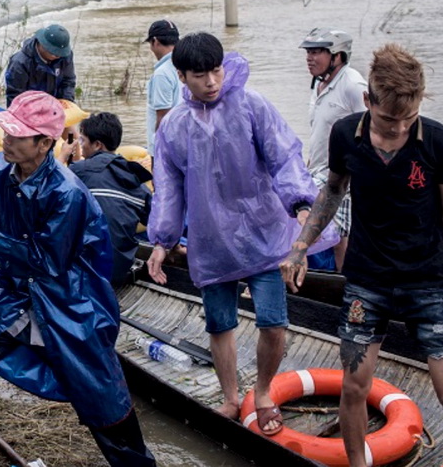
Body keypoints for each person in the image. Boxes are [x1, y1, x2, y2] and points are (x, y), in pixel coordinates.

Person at [0, 91, 157, 467]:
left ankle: (136, 463)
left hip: (69, 299)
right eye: (5, 131)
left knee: (99, 391)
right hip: (13, 286)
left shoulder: (66, 192)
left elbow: (50, 261)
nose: (5, 139)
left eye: (16, 134)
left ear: (44, 143)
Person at [280, 43, 443, 467]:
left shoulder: (441, 143)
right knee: (354, 386)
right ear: (368, 100)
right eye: (388, 119)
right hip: (367, 280)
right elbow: (333, 190)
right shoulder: (346, 135)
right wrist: (300, 247)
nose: (397, 129)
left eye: (407, 120)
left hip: (427, 280)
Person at [146, 32, 335, 434]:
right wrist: (162, 240)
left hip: (264, 233)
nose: (212, 81)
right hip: (211, 239)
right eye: (200, 75)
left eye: (216, 70)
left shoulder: (252, 106)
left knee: (273, 321)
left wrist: (302, 204)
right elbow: (168, 188)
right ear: (182, 76)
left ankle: (263, 391)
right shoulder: (175, 127)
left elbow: (284, 157)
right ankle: (231, 396)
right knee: (220, 323)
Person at [57, 112, 152, 286]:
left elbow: (42, 190)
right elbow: (157, 224)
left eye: (83, 141)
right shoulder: (137, 182)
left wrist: (63, 156)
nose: (81, 146)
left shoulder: (77, 172)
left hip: (85, 271)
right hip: (119, 271)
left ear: (98, 145)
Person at [299, 28, 367, 271]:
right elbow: (318, 130)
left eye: (317, 52)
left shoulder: (353, 85)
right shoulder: (318, 84)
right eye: (308, 52)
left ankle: (343, 282)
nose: (310, 58)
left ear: (337, 56)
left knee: (340, 232)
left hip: (343, 172)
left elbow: (370, 129)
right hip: (318, 168)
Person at [4, 24, 76, 107]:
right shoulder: (19, 63)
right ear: (42, 46)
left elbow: (68, 81)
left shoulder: (65, 56)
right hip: (29, 108)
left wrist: (66, 101)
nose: (59, 56)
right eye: (55, 54)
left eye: (61, 53)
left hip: (56, 107)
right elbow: (15, 97)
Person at [143, 20, 181, 152]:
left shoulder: (162, 73)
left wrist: (158, 150)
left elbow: (163, 116)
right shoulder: (185, 64)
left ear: (155, 41)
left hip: (165, 146)